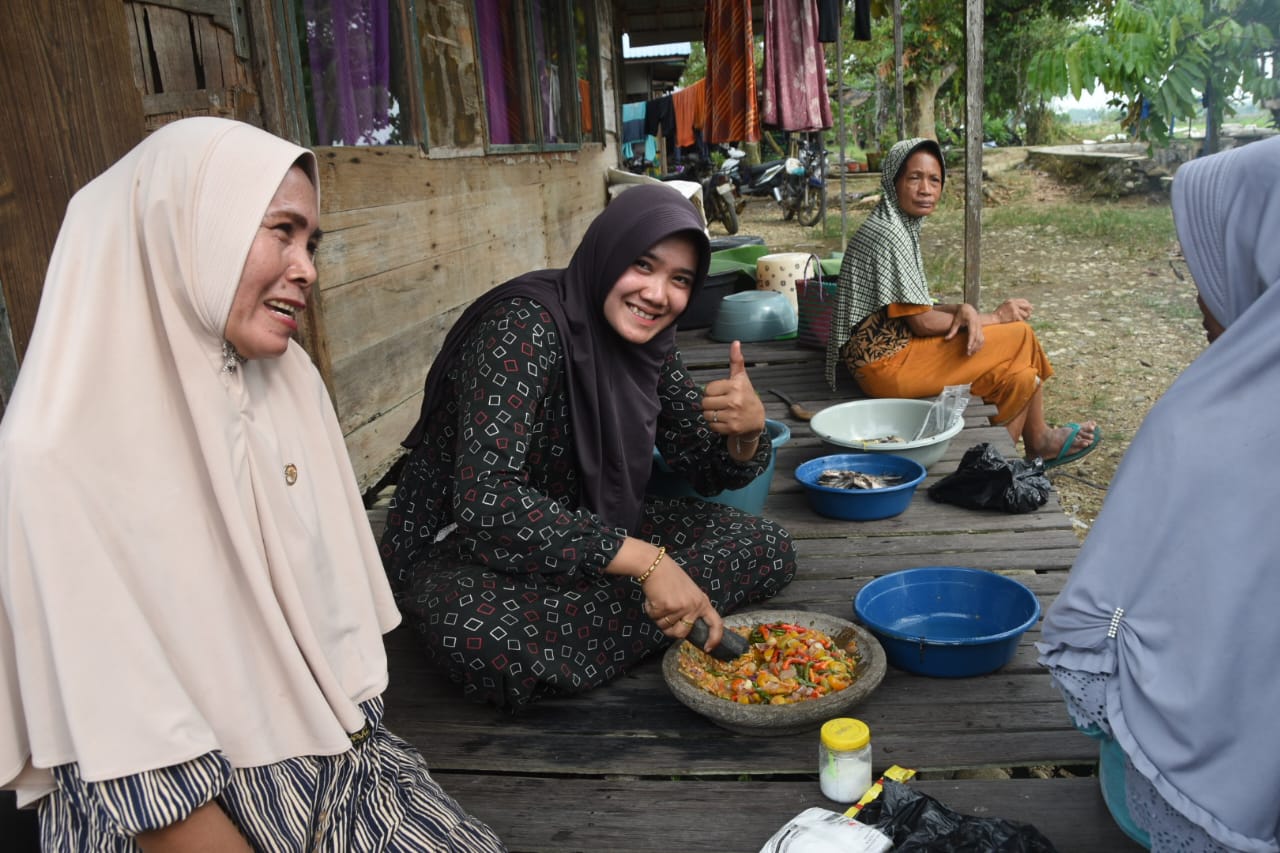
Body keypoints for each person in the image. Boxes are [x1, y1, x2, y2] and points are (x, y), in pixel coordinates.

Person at [0, 117, 504, 851]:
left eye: (313, 243)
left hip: (340, 771)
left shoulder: (285, 383)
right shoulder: (50, 455)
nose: (307, 268)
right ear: (186, 231)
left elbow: (336, 662)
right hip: (183, 819)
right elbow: (154, 796)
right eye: (282, 231)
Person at [379, 183, 796, 710]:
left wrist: (748, 432)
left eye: (680, 280)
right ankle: (654, 612)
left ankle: (616, 617)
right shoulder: (522, 327)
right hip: (468, 551)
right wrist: (651, 565)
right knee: (481, 640)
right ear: (609, 252)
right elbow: (486, 501)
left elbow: (706, 466)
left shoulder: (648, 343)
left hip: (589, 537)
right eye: (643, 266)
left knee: (766, 544)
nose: (657, 294)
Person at [1038, 135, 1280, 852]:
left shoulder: (1208, 420)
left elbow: (1108, 641)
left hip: (1199, 790)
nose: (1200, 295)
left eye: (1203, 267)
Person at [826, 137, 1099, 468]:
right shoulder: (890, 234)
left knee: (1020, 375)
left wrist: (961, 310)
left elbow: (910, 306)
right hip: (886, 366)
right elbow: (922, 323)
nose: (926, 189)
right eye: (914, 178)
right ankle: (1039, 439)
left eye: (934, 179)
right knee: (1019, 334)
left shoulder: (894, 223)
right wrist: (995, 316)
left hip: (890, 356)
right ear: (892, 181)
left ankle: (1000, 464)